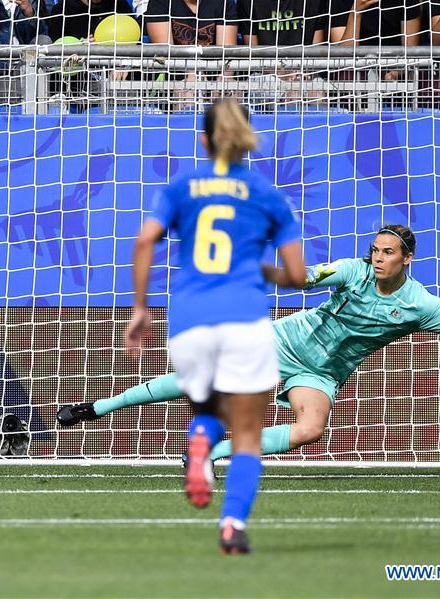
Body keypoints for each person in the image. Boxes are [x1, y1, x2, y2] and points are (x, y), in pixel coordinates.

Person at [59, 224, 440, 463]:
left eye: (388, 252)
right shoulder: (352, 271)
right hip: (284, 340)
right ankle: (95, 408)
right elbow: (307, 280)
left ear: (408, 259)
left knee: (311, 430)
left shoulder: (423, 305)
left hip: (321, 373)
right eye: (376, 250)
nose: (378, 257)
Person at [124, 99, 306, 553]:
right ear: (246, 140)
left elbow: (146, 239)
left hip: (189, 319)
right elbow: (298, 276)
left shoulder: (182, 185)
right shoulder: (267, 194)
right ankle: (232, 526)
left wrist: (140, 307)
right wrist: (263, 272)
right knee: (245, 433)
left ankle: (199, 444)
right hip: (244, 318)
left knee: (206, 409)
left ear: (203, 141)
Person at [44, 0, 134, 40]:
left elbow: (133, 41)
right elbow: (56, 46)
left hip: (113, 70)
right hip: (78, 73)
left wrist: (122, 64)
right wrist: (79, 47)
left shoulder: (120, 5)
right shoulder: (61, 10)